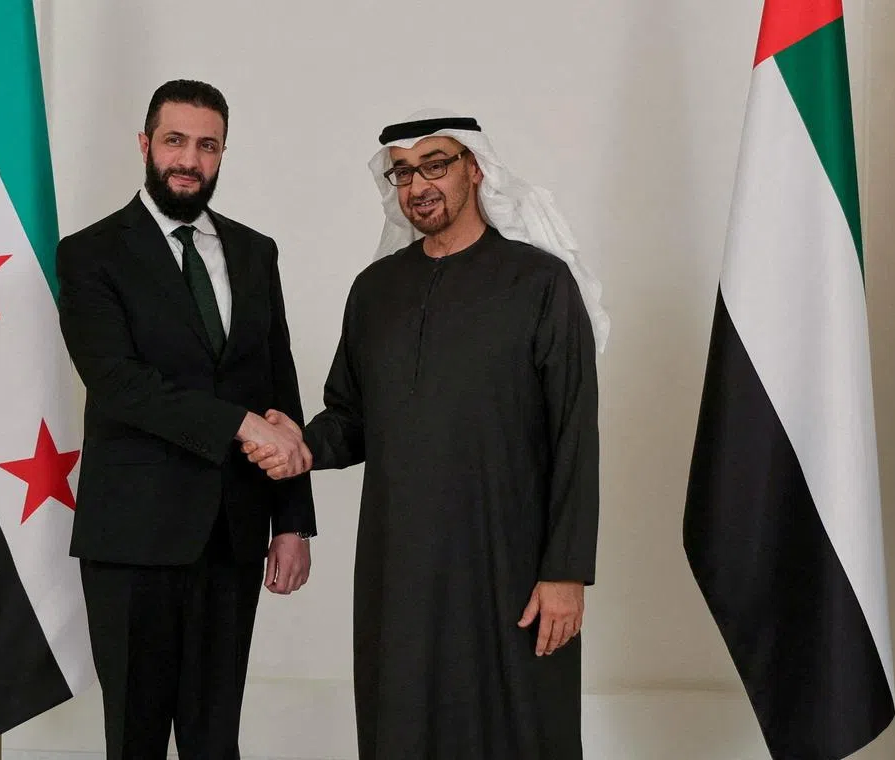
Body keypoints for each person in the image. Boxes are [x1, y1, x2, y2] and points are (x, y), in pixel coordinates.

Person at [246, 110, 607, 759]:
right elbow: (351, 418)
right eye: (403, 172)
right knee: (405, 724)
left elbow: (575, 434)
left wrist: (567, 572)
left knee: (521, 727)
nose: (418, 186)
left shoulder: (541, 283)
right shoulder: (375, 290)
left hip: (513, 564)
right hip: (400, 569)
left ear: (474, 169)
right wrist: (299, 444)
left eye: (435, 165)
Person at [56, 79, 316, 760]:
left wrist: (291, 521)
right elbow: (119, 385)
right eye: (175, 140)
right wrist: (239, 425)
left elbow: (278, 389)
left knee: (214, 741)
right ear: (146, 145)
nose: (189, 159)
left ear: (222, 154)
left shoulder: (256, 252)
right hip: (133, 540)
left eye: (206, 145)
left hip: (233, 535)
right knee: (135, 741)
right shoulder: (89, 254)